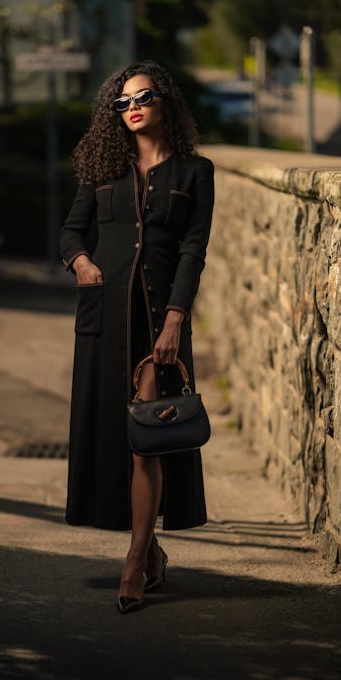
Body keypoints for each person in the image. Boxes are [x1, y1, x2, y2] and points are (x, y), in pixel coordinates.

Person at [59, 59, 214, 613]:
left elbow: (193, 251)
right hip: (104, 321)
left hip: (157, 321)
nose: (132, 107)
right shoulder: (103, 167)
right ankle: (151, 552)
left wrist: (176, 319)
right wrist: (81, 263)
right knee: (113, 438)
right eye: (122, 102)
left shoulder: (197, 172)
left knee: (145, 437)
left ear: (165, 100)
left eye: (142, 96)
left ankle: (132, 562)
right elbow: (71, 231)